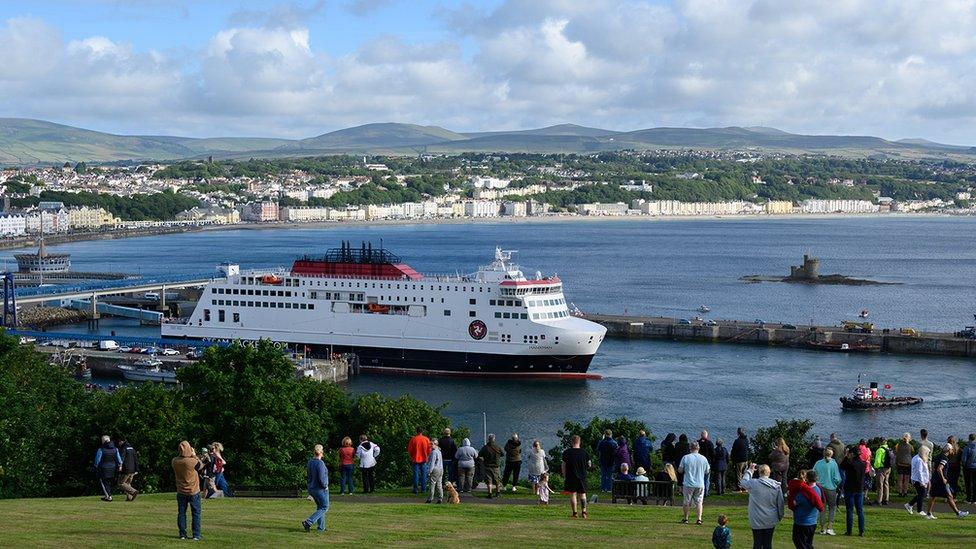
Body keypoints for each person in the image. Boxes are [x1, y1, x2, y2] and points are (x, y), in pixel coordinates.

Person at [741, 463, 785, 549]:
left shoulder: (754, 483)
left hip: (756, 518)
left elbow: (743, 482)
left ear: (759, 472)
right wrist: (780, 516)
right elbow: (780, 503)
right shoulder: (776, 486)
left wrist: (750, 471)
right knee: (767, 543)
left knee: (757, 543)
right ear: (769, 473)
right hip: (770, 518)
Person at [926, 443, 969, 519]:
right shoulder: (944, 458)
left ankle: (929, 513)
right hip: (941, 481)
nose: (953, 450)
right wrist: (943, 479)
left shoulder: (938, 456)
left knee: (933, 496)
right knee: (949, 496)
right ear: (949, 450)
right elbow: (939, 469)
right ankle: (958, 513)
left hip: (935, 479)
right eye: (952, 449)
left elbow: (934, 467)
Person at [172, 441, 203, 541]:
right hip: (193, 491)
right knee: (196, 513)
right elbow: (201, 466)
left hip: (181, 491)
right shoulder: (191, 461)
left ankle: (182, 534)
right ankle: (196, 535)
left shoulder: (175, 461)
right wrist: (194, 455)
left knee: (181, 513)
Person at [789, 469, 824, 549]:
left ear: (807, 478)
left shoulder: (804, 492)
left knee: (800, 543)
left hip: (802, 522)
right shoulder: (818, 489)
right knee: (808, 544)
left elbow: (794, 503)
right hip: (812, 522)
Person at [678, 441, 710, 525]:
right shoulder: (703, 458)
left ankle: (686, 519)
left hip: (688, 483)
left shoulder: (686, 457)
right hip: (700, 483)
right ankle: (699, 519)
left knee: (686, 502)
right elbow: (707, 471)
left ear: (690, 448)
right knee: (699, 502)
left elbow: (680, 470)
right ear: (698, 448)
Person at [813, 447, 842, 536]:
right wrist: (836, 484)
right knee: (832, 508)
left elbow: (813, 474)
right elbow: (837, 478)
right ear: (832, 454)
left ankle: (822, 528)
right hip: (830, 488)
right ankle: (829, 527)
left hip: (820, 488)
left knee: (822, 508)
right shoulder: (834, 464)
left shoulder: (818, 463)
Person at [562, 434, 591, 519]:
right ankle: (584, 511)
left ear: (572, 442)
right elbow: (589, 464)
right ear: (579, 442)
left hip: (571, 476)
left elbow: (563, 465)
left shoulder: (567, 452)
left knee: (573, 494)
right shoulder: (584, 452)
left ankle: (575, 513)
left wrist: (564, 475)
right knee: (582, 494)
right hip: (582, 476)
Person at [302, 444, 329, 533]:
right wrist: (325, 485)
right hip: (320, 489)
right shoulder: (320, 463)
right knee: (324, 507)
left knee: (320, 507)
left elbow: (309, 475)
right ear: (322, 452)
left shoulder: (310, 462)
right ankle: (308, 522)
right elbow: (321, 478)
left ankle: (321, 528)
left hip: (312, 488)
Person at [840, 446, 866, 536]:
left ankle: (849, 531)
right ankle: (861, 531)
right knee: (860, 510)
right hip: (859, 489)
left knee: (850, 510)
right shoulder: (864, 464)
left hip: (850, 489)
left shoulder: (850, 464)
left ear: (852, 454)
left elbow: (841, 466)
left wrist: (846, 456)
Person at [94, 435, 122, 502]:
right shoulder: (115, 449)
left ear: (103, 441)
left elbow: (97, 460)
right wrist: (120, 465)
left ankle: (109, 496)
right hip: (112, 467)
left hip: (103, 467)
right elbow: (119, 459)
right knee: (108, 482)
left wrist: (95, 465)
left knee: (104, 482)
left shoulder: (101, 449)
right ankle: (107, 495)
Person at [907, 445, 930, 516]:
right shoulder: (919, 460)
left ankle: (910, 505)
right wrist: (922, 482)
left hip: (916, 479)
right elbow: (919, 471)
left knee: (922, 494)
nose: (927, 455)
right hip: (918, 480)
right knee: (922, 494)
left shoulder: (916, 457)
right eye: (927, 453)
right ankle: (919, 510)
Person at [407, 428, 431, 494]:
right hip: (424, 459)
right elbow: (429, 449)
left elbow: (410, 450)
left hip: (415, 458)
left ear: (416, 431)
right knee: (424, 474)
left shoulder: (413, 439)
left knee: (416, 474)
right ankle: (423, 489)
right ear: (422, 432)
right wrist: (427, 456)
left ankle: (415, 489)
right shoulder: (426, 439)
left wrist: (412, 456)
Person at [479, 434, 503, 498]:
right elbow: (503, 454)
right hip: (496, 467)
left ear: (488, 439)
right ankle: (498, 493)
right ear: (494, 439)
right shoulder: (498, 447)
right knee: (497, 480)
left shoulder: (485, 447)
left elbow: (479, 454)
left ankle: (490, 494)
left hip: (487, 466)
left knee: (489, 481)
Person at [872, 438, 892, 506]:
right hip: (888, 468)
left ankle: (879, 500)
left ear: (880, 442)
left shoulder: (880, 450)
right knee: (886, 484)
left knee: (880, 485)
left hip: (881, 469)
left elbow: (877, 461)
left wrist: (875, 467)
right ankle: (886, 499)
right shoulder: (889, 449)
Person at [895, 432, 914, 497]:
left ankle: (900, 493)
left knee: (900, 479)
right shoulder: (911, 446)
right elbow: (912, 453)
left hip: (900, 463)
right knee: (906, 480)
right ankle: (905, 493)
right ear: (909, 438)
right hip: (908, 464)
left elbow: (896, 453)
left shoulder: (898, 445)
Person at [698, 431, 715, 496]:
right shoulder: (710, 443)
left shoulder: (698, 443)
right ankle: (706, 492)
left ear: (701, 435)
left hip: (699, 462)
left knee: (700, 477)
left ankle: (700, 491)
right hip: (707, 462)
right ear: (706, 435)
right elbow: (713, 453)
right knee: (707, 478)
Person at [426, 439, 444, 504]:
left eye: (432, 444)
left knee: (432, 484)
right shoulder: (439, 451)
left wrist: (429, 471)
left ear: (435, 444)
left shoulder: (433, 452)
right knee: (439, 484)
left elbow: (432, 463)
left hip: (435, 469)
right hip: (441, 469)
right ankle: (440, 498)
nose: (430, 445)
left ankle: (430, 499)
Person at [963, 433, 976, 504]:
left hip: (968, 467)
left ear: (969, 438)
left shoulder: (967, 447)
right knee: (975, 483)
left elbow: (964, 459)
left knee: (968, 483)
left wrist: (964, 465)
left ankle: (968, 499)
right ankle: (974, 499)